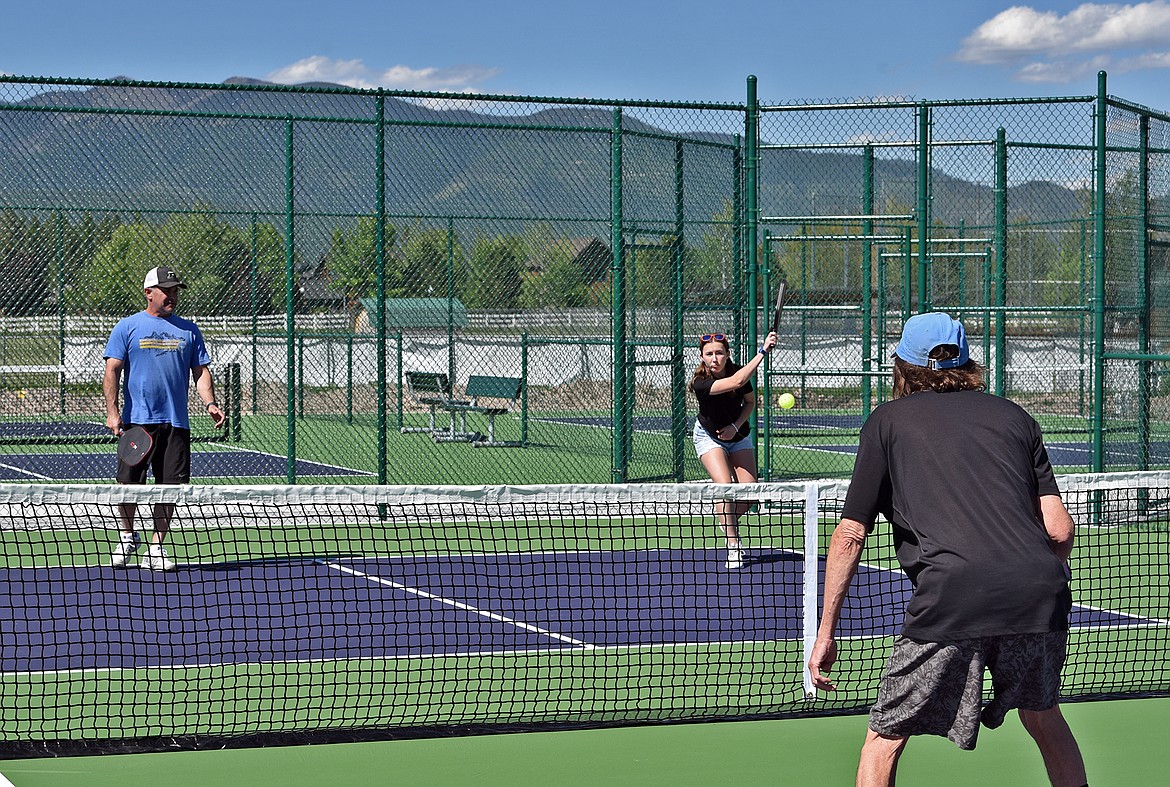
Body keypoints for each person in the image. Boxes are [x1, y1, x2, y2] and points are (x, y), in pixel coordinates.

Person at [807, 312, 1086, 786]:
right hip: (1038, 589)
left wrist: (825, 631)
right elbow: (1059, 531)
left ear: (901, 365)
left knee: (885, 738)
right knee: (1043, 717)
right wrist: (1024, 580)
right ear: (966, 361)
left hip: (953, 596)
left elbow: (850, 534)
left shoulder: (886, 422)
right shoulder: (1016, 417)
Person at [103, 266, 226, 571]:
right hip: (137, 422)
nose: (172, 295)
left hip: (176, 424)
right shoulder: (127, 327)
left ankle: (156, 547)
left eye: (175, 290)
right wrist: (113, 412)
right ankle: (128, 535)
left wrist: (210, 403)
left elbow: (200, 372)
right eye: (166, 290)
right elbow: (112, 370)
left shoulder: (189, 330)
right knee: (127, 484)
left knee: (171, 487)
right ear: (149, 293)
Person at [689, 329, 778, 569]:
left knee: (750, 493)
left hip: (738, 435)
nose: (714, 358)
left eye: (719, 353)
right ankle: (733, 544)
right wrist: (763, 352)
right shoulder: (701, 383)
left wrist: (735, 425)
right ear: (702, 357)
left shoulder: (738, 370)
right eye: (709, 354)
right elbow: (736, 381)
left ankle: (724, 515)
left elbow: (749, 402)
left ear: (727, 354)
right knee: (725, 486)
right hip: (709, 437)